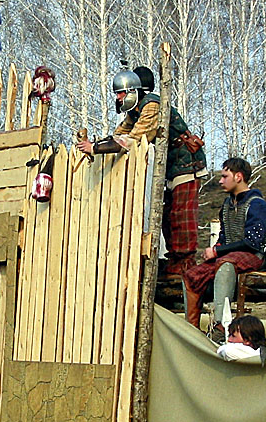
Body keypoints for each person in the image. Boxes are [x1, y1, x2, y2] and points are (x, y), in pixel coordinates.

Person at [77, 66, 207, 276]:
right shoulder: (135, 111)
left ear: (133, 91)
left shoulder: (151, 106)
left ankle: (185, 263)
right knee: (168, 216)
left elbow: (134, 139)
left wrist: (95, 148)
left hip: (185, 164)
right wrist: (98, 145)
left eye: (121, 93)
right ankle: (175, 260)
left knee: (181, 215)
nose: (119, 98)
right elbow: (119, 134)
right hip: (171, 167)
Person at [183, 157, 266, 336]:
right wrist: (216, 249)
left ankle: (220, 326)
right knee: (191, 275)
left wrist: (217, 251)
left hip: (257, 255)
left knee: (226, 264)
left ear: (238, 177)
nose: (220, 181)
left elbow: (252, 242)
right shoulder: (227, 205)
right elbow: (224, 237)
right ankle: (191, 329)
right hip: (230, 256)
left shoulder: (257, 204)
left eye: (225, 176)